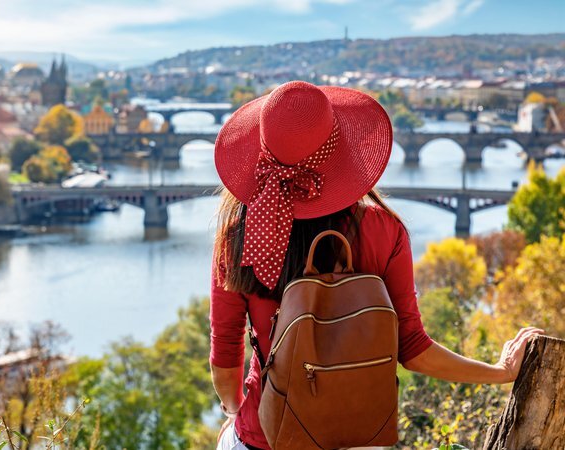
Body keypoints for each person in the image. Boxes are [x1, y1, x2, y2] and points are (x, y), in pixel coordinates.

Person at [209, 81, 543, 450]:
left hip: (265, 435)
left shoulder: (240, 235)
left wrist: (235, 412)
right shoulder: (384, 230)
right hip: (356, 435)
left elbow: (225, 358)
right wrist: (499, 372)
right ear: (342, 153)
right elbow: (413, 349)